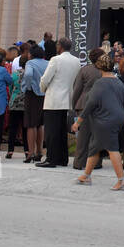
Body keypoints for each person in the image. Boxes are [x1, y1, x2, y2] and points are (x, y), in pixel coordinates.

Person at [74, 54, 124, 190]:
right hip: (117, 117)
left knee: (112, 148)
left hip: (104, 119)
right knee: (94, 147)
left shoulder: (99, 83)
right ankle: (86, 176)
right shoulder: (119, 82)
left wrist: (79, 122)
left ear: (99, 67)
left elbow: (90, 104)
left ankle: (121, 180)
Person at [37, 39, 82, 168]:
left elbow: (45, 79)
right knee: (61, 131)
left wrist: (43, 88)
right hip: (67, 98)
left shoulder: (55, 60)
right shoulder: (76, 61)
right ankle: (62, 158)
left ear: (60, 46)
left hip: (53, 99)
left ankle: (51, 159)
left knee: (51, 131)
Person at [70, 49, 105, 170]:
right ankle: (97, 162)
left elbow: (77, 89)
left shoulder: (84, 70)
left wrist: (74, 104)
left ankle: (79, 162)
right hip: (100, 105)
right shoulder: (104, 71)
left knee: (83, 137)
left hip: (83, 104)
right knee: (97, 136)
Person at [21, 43, 48, 163]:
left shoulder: (30, 63)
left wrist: (28, 86)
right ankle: (40, 152)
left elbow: (28, 74)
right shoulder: (47, 63)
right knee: (40, 124)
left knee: (31, 124)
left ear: (31, 54)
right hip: (44, 94)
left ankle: (30, 153)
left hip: (32, 94)